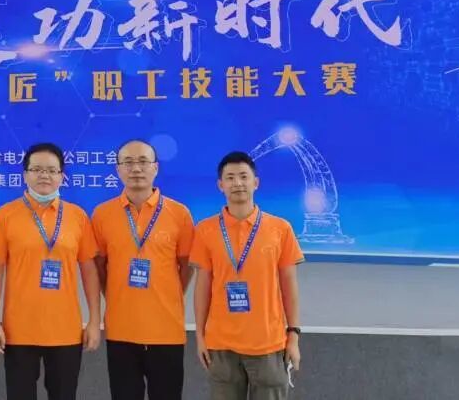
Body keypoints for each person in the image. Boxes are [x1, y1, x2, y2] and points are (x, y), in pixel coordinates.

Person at [0, 142, 101, 400]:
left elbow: (89, 271)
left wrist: (94, 321)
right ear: (25, 174)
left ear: (62, 176)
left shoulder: (77, 216)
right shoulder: (6, 214)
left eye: (51, 170)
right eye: (37, 169)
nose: (44, 175)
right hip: (18, 330)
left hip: (66, 331)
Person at [191, 151, 304, 400]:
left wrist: (293, 335)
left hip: (269, 343)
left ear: (256, 182)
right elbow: (202, 287)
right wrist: (200, 336)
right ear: (220, 185)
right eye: (230, 178)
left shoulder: (280, 229)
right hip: (221, 344)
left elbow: (289, 285)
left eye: (244, 176)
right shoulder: (205, 230)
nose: (237, 183)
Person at [91, 140, 195, 400]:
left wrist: (167, 293)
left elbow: (186, 266)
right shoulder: (102, 214)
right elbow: (99, 266)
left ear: (155, 168)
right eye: (128, 162)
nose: (136, 169)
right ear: (118, 170)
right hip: (121, 330)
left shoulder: (179, 214)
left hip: (166, 330)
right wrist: (116, 294)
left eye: (143, 162)